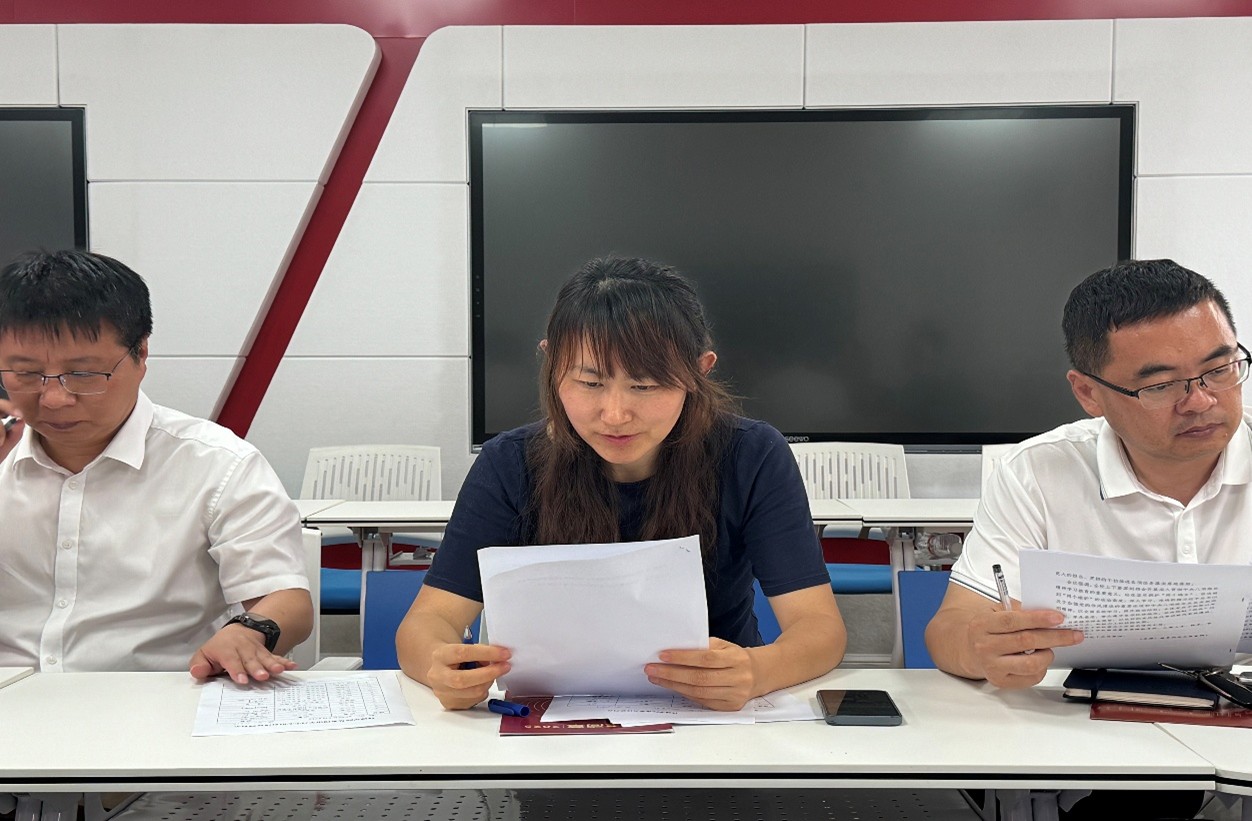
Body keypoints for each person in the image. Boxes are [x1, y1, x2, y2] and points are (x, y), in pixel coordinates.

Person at [397, 256, 846, 711]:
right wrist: (440, 665)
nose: (614, 414)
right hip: (550, 722)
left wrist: (758, 671)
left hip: (713, 717)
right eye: (589, 382)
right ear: (552, 364)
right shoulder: (510, 463)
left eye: (645, 386)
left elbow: (819, 627)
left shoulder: (751, 456)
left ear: (700, 370)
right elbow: (428, 621)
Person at [926, 258, 1248, 820]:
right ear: (1088, 393)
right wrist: (984, 648)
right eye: (1160, 385)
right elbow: (950, 629)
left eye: (1219, 369)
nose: (1200, 400)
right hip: (1099, 758)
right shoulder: (1038, 472)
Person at [0, 250, 312, 683]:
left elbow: (285, 598)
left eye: (84, 374)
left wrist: (247, 632)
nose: (54, 398)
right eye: (26, 374)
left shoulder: (217, 465)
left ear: (141, 354)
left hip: (159, 700)